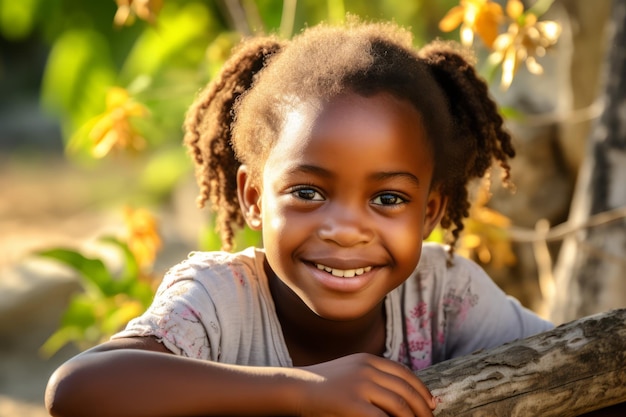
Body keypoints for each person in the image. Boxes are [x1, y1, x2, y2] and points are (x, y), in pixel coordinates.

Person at [45, 18, 553, 417]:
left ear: (430, 212)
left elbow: (572, 364)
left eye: (389, 199)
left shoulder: (443, 294)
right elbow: (77, 388)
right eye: (308, 191)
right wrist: (303, 393)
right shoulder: (222, 301)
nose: (347, 229)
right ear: (253, 198)